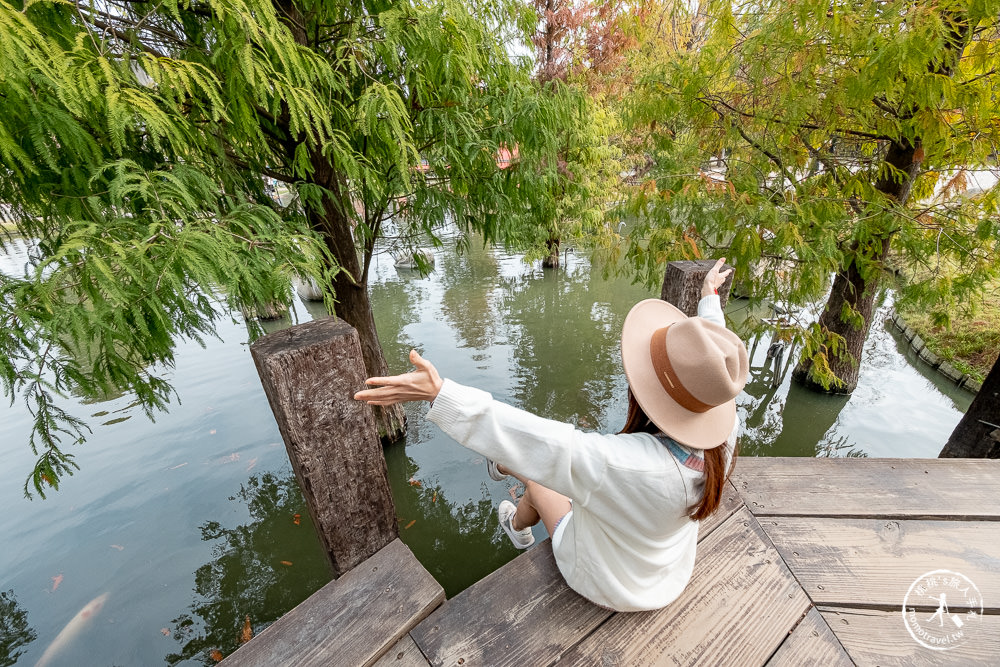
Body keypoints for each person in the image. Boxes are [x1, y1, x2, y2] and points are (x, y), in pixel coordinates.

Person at [354, 257, 748, 612]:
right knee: (556, 470)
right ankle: (506, 472)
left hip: (607, 581)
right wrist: (709, 301)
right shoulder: (723, 436)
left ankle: (515, 522)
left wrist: (440, 394)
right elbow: (710, 368)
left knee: (543, 479)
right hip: (664, 570)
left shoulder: (624, 463)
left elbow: (543, 442)